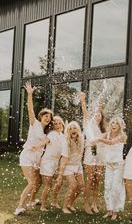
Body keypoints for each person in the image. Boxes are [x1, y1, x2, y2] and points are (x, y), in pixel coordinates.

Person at [14, 81, 54, 215]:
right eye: (46, 116)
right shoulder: (34, 124)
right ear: (41, 116)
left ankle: (31, 201)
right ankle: (19, 207)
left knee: (38, 182)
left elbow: (48, 143)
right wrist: (29, 94)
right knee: (32, 183)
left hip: (37, 159)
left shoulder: (47, 133)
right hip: (27, 156)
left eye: (49, 117)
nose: (48, 118)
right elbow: (30, 109)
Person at [79, 92, 106, 214]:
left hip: (101, 156)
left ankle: (95, 203)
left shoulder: (103, 129)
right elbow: (85, 112)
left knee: (98, 179)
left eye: (99, 115)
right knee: (90, 179)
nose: (97, 116)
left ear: (102, 117)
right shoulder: (88, 125)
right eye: (95, 114)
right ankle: (86, 204)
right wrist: (83, 100)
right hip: (90, 155)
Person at [34, 116, 68, 211]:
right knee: (48, 185)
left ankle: (54, 201)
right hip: (47, 162)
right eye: (55, 124)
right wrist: (36, 146)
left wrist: (59, 165)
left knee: (59, 183)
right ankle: (43, 205)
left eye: (59, 123)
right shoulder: (51, 134)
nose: (57, 125)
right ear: (53, 125)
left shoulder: (63, 136)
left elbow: (64, 152)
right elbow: (44, 142)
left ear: (62, 124)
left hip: (57, 162)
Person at [96, 117, 127, 220]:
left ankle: (115, 211)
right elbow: (97, 138)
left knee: (115, 188)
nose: (114, 125)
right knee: (107, 187)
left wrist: (100, 139)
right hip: (109, 165)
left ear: (120, 126)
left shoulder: (122, 136)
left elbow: (112, 142)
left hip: (118, 166)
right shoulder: (107, 134)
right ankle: (109, 210)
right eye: (112, 123)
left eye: (116, 123)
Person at [59, 121, 85, 214]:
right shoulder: (66, 143)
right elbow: (64, 159)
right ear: (68, 132)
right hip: (68, 165)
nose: (73, 130)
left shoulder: (82, 139)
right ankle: (64, 207)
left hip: (78, 165)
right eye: (70, 129)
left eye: (74, 128)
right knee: (73, 185)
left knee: (81, 186)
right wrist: (60, 175)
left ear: (78, 130)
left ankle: (70, 203)